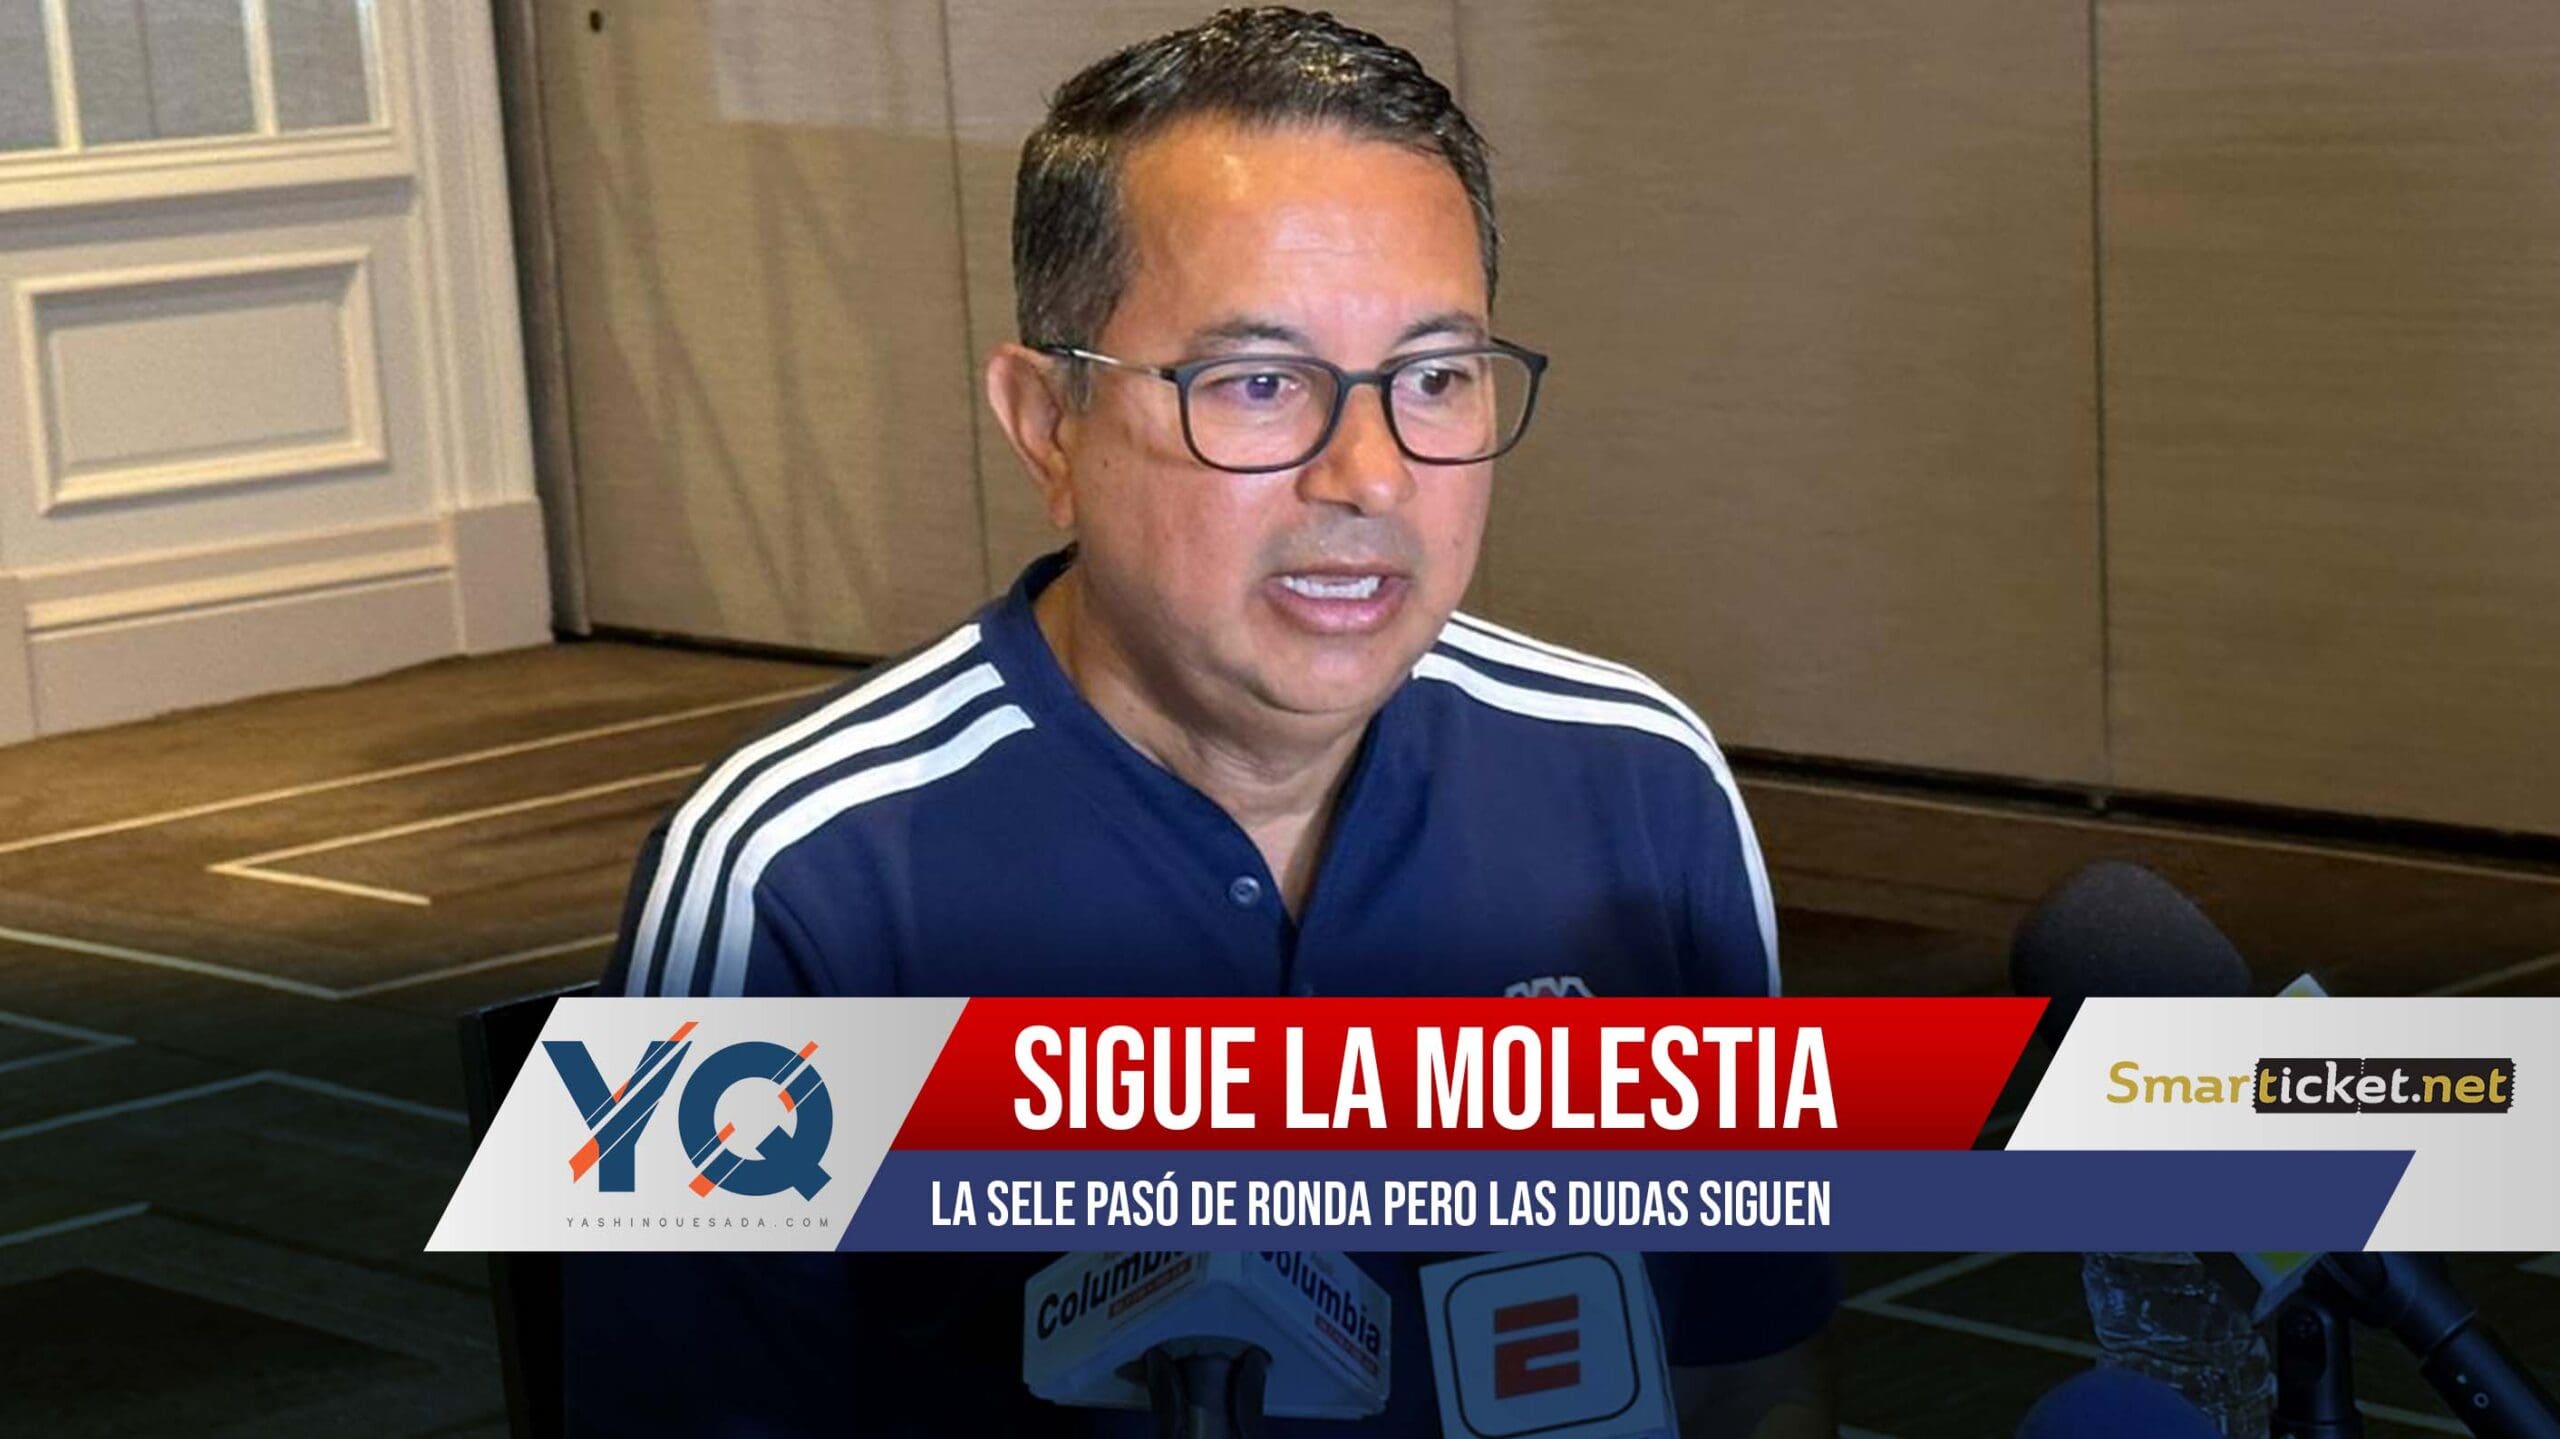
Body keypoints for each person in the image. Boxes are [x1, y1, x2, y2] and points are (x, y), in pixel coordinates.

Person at [570, 8, 1837, 1434]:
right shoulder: (793, 875)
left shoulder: (1640, 782)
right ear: (1048, 424)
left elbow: (1750, 1369)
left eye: (1434, 378)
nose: (1370, 476)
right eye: (1258, 384)